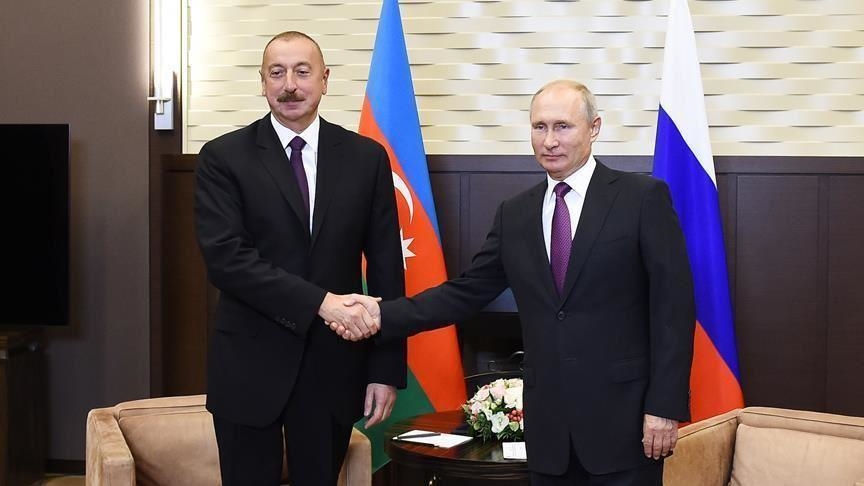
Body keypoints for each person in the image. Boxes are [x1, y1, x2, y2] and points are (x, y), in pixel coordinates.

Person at [336, 80, 695, 485]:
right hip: (549, 433)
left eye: (562, 127)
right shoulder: (516, 213)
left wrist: (664, 406)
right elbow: (466, 292)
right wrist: (382, 314)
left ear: (594, 128)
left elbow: (673, 309)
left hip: (625, 423)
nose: (549, 140)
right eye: (539, 127)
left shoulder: (641, 198)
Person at [194, 31, 406, 486]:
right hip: (248, 366)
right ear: (262, 82)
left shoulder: (366, 158)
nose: (289, 85)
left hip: (333, 367)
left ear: (325, 80)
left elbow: (387, 268)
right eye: (277, 72)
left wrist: (385, 370)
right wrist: (321, 303)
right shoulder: (222, 157)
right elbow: (227, 261)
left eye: (302, 72)